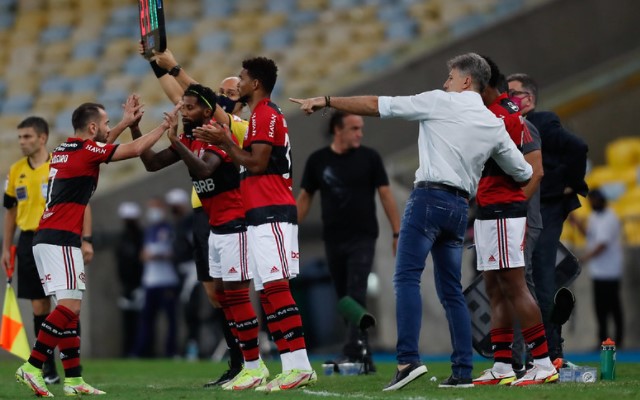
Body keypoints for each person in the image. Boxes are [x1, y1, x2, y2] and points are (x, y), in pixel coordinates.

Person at [290, 52, 533, 391]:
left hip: (428, 200)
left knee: (406, 278)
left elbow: (378, 104)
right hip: (460, 208)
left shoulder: (439, 102)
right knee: (452, 292)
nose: (444, 83)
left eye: (450, 77)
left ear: (466, 81)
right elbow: (523, 172)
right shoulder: (493, 122)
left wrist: (328, 100)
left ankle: (407, 361)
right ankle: (463, 371)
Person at [14, 97, 178, 397]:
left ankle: (74, 380)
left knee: (70, 312)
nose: (108, 128)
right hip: (60, 238)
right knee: (69, 307)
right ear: (92, 127)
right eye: (104, 124)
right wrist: (164, 127)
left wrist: (126, 123)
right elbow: (136, 149)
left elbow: (101, 147)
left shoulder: (67, 148)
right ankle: (34, 365)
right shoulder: (85, 151)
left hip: (49, 236)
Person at [194, 56, 317, 392]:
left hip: (273, 210)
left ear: (256, 84)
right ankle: (291, 364)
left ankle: (299, 365)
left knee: (276, 288)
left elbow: (258, 163)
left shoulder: (266, 114)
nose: (240, 82)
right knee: (267, 291)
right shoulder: (259, 116)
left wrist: (225, 144)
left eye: (244, 77)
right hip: (261, 212)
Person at [135, 83, 268, 390]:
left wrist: (177, 143)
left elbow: (206, 170)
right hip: (215, 226)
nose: (183, 110)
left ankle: (253, 364)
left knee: (236, 295)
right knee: (223, 297)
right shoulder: (190, 138)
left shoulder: (215, 133)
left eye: (189, 106)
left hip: (235, 223)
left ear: (207, 111)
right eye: (182, 105)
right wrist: (137, 128)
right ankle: (244, 365)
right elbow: (152, 163)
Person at [471, 57, 556, 386]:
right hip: (489, 209)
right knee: (494, 287)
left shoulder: (506, 116)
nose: (453, 85)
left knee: (514, 285)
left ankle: (543, 362)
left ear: (482, 83)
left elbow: (535, 170)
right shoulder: (492, 114)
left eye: (456, 79)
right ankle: (503, 364)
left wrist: (516, 204)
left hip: (503, 210)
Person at [296, 110, 401, 370]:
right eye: (354, 128)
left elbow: (386, 195)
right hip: (333, 238)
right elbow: (305, 197)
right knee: (344, 297)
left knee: (356, 290)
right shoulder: (318, 161)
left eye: (360, 128)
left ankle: (353, 350)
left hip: (363, 236)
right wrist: (287, 232)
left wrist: (398, 232)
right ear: (337, 129)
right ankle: (363, 355)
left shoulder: (369, 158)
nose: (360, 133)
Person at [2, 117, 95, 385]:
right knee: (39, 305)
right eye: (20, 137)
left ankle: (70, 373)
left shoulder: (59, 164)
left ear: (42, 138)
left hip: (59, 238)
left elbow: (83, 202)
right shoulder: (16, 171)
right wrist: (7, 247)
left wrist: (86, 239)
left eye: (27, 137)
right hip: (28, 240)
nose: (22, 142)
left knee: (65, 304)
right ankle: (48, 369)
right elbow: (10, 212)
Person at [507, 73, 589, 364]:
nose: (508, 97)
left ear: (528, 99)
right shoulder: (511, 126)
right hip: (524, 210)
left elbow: (578, 147)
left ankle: (552, 352)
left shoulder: (542, 121)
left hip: (546, 208)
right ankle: (532, 352)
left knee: (541, 277)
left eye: (513, 93)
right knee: (525, 280)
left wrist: (569, 184)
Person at [569, 189, 624, 348]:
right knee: (600, 308)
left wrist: (584, 259)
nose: (592, 204)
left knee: (613, 307)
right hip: (598, 271)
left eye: (594, 200)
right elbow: (590, 236)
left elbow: (602, 245)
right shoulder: (593, 217)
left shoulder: (610, 217)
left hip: (610, 271)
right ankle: (603, 339)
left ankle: (618, 341)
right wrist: (578, 224)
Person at [131, 197, 180, 358]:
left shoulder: (169, 229)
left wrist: (156, 255)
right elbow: (143, 254)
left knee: (170, 319)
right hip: (150, 281)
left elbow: (175, 252)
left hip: (167, 280)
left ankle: (171, 351)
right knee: (146, 319)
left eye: (155, 207)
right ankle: (143, 351)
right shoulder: (149, 230)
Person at [114, 201, 144, 357]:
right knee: (128, 322)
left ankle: (142, 350)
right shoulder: (123, 238)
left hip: (141, 284)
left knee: (141, 321)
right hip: (127, 285)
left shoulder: (140, 236)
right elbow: (120, 264)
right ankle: (128, 350)